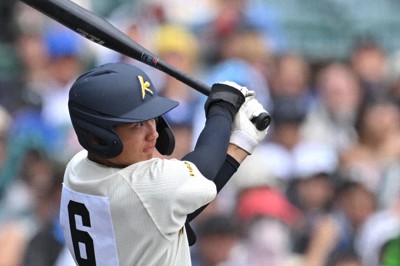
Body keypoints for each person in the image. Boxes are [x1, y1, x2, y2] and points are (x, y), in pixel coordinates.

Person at [58, 62, 269, 265]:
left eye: (152, 118)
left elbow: (172, 208)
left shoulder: (76, 171)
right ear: (96, 137)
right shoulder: (143, 187)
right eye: (138, 124)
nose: (154, 133)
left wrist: (240, 145)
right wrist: (222, 108)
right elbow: (201, 168)